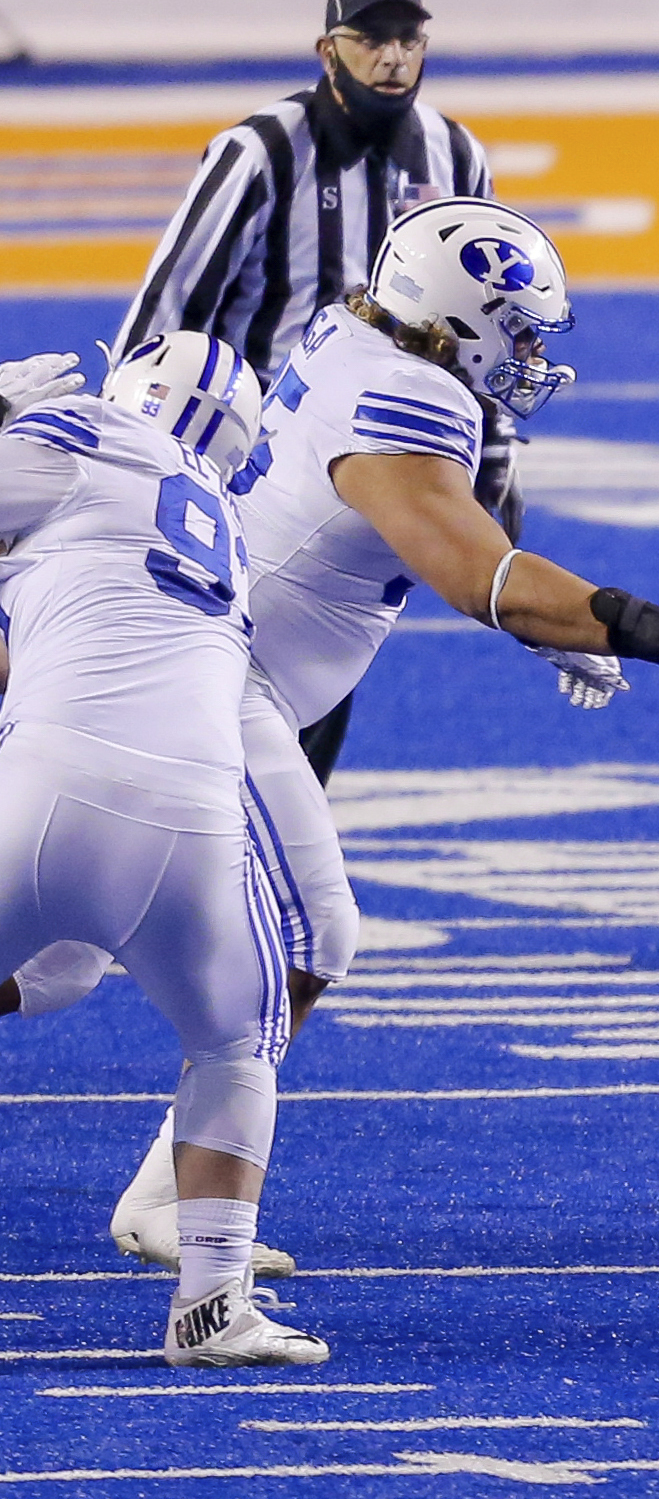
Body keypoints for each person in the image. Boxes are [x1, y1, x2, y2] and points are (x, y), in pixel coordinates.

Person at [74, 197, 659, 1275]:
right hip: (215, 677)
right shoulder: (408, 393)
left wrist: (548, 627)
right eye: (518, 323)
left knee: (56, 947)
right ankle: (181, 1199)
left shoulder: (352, 334)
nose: (535, 349)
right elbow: (476, 572)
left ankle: (174, 1187)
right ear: (456, 319)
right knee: (314, 935)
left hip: (195, 657)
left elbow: (434, 538)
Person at [0, 335, 327, 1365]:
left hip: (53, 784)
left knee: (49, 959)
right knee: (236, 1044)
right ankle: (210, 1303)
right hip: (197, 822)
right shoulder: (222, 521)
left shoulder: (88, 431)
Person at [111, 0, 512, 784]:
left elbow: (490, 316)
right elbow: (168, 305)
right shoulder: (258, 154)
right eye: (372, 38)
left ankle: (265, 860)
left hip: (380, 456)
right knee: (210, 667)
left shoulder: (454, 153)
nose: (393, 56)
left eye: (407, 38)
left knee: (318, 667)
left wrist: (498, 451)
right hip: (255, 454)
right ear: (328, 50)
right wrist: (126, 451)